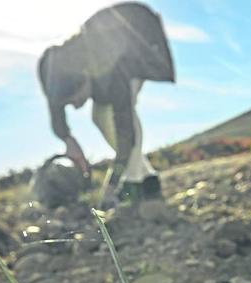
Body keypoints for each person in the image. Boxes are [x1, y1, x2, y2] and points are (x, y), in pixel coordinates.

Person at [37, 2, 175, 205]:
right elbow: (55, 106)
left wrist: (112, 183)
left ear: (85, 78)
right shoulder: (53, 69)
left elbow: (126, 132)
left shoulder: (114, 72)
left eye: (75, 99)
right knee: (99, 116)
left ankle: (134, 181)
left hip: (142, 39)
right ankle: (148, 178)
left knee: (118, 116)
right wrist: (68, 140)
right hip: (108, 40)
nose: (75, 106)